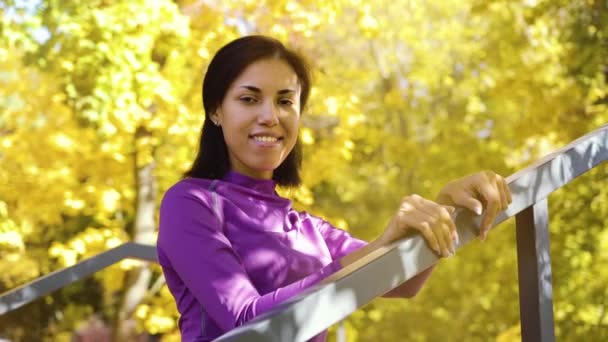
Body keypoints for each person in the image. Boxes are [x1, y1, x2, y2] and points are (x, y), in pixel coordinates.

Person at [157, 35, 512, 342]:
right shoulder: (189, 203)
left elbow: (401, 281)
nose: (270, 116)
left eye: (285, 101)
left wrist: (445, 207)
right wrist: (367, 253)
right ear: (216, 110)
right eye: (249, 99)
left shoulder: (308, 229)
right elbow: (248, 321)